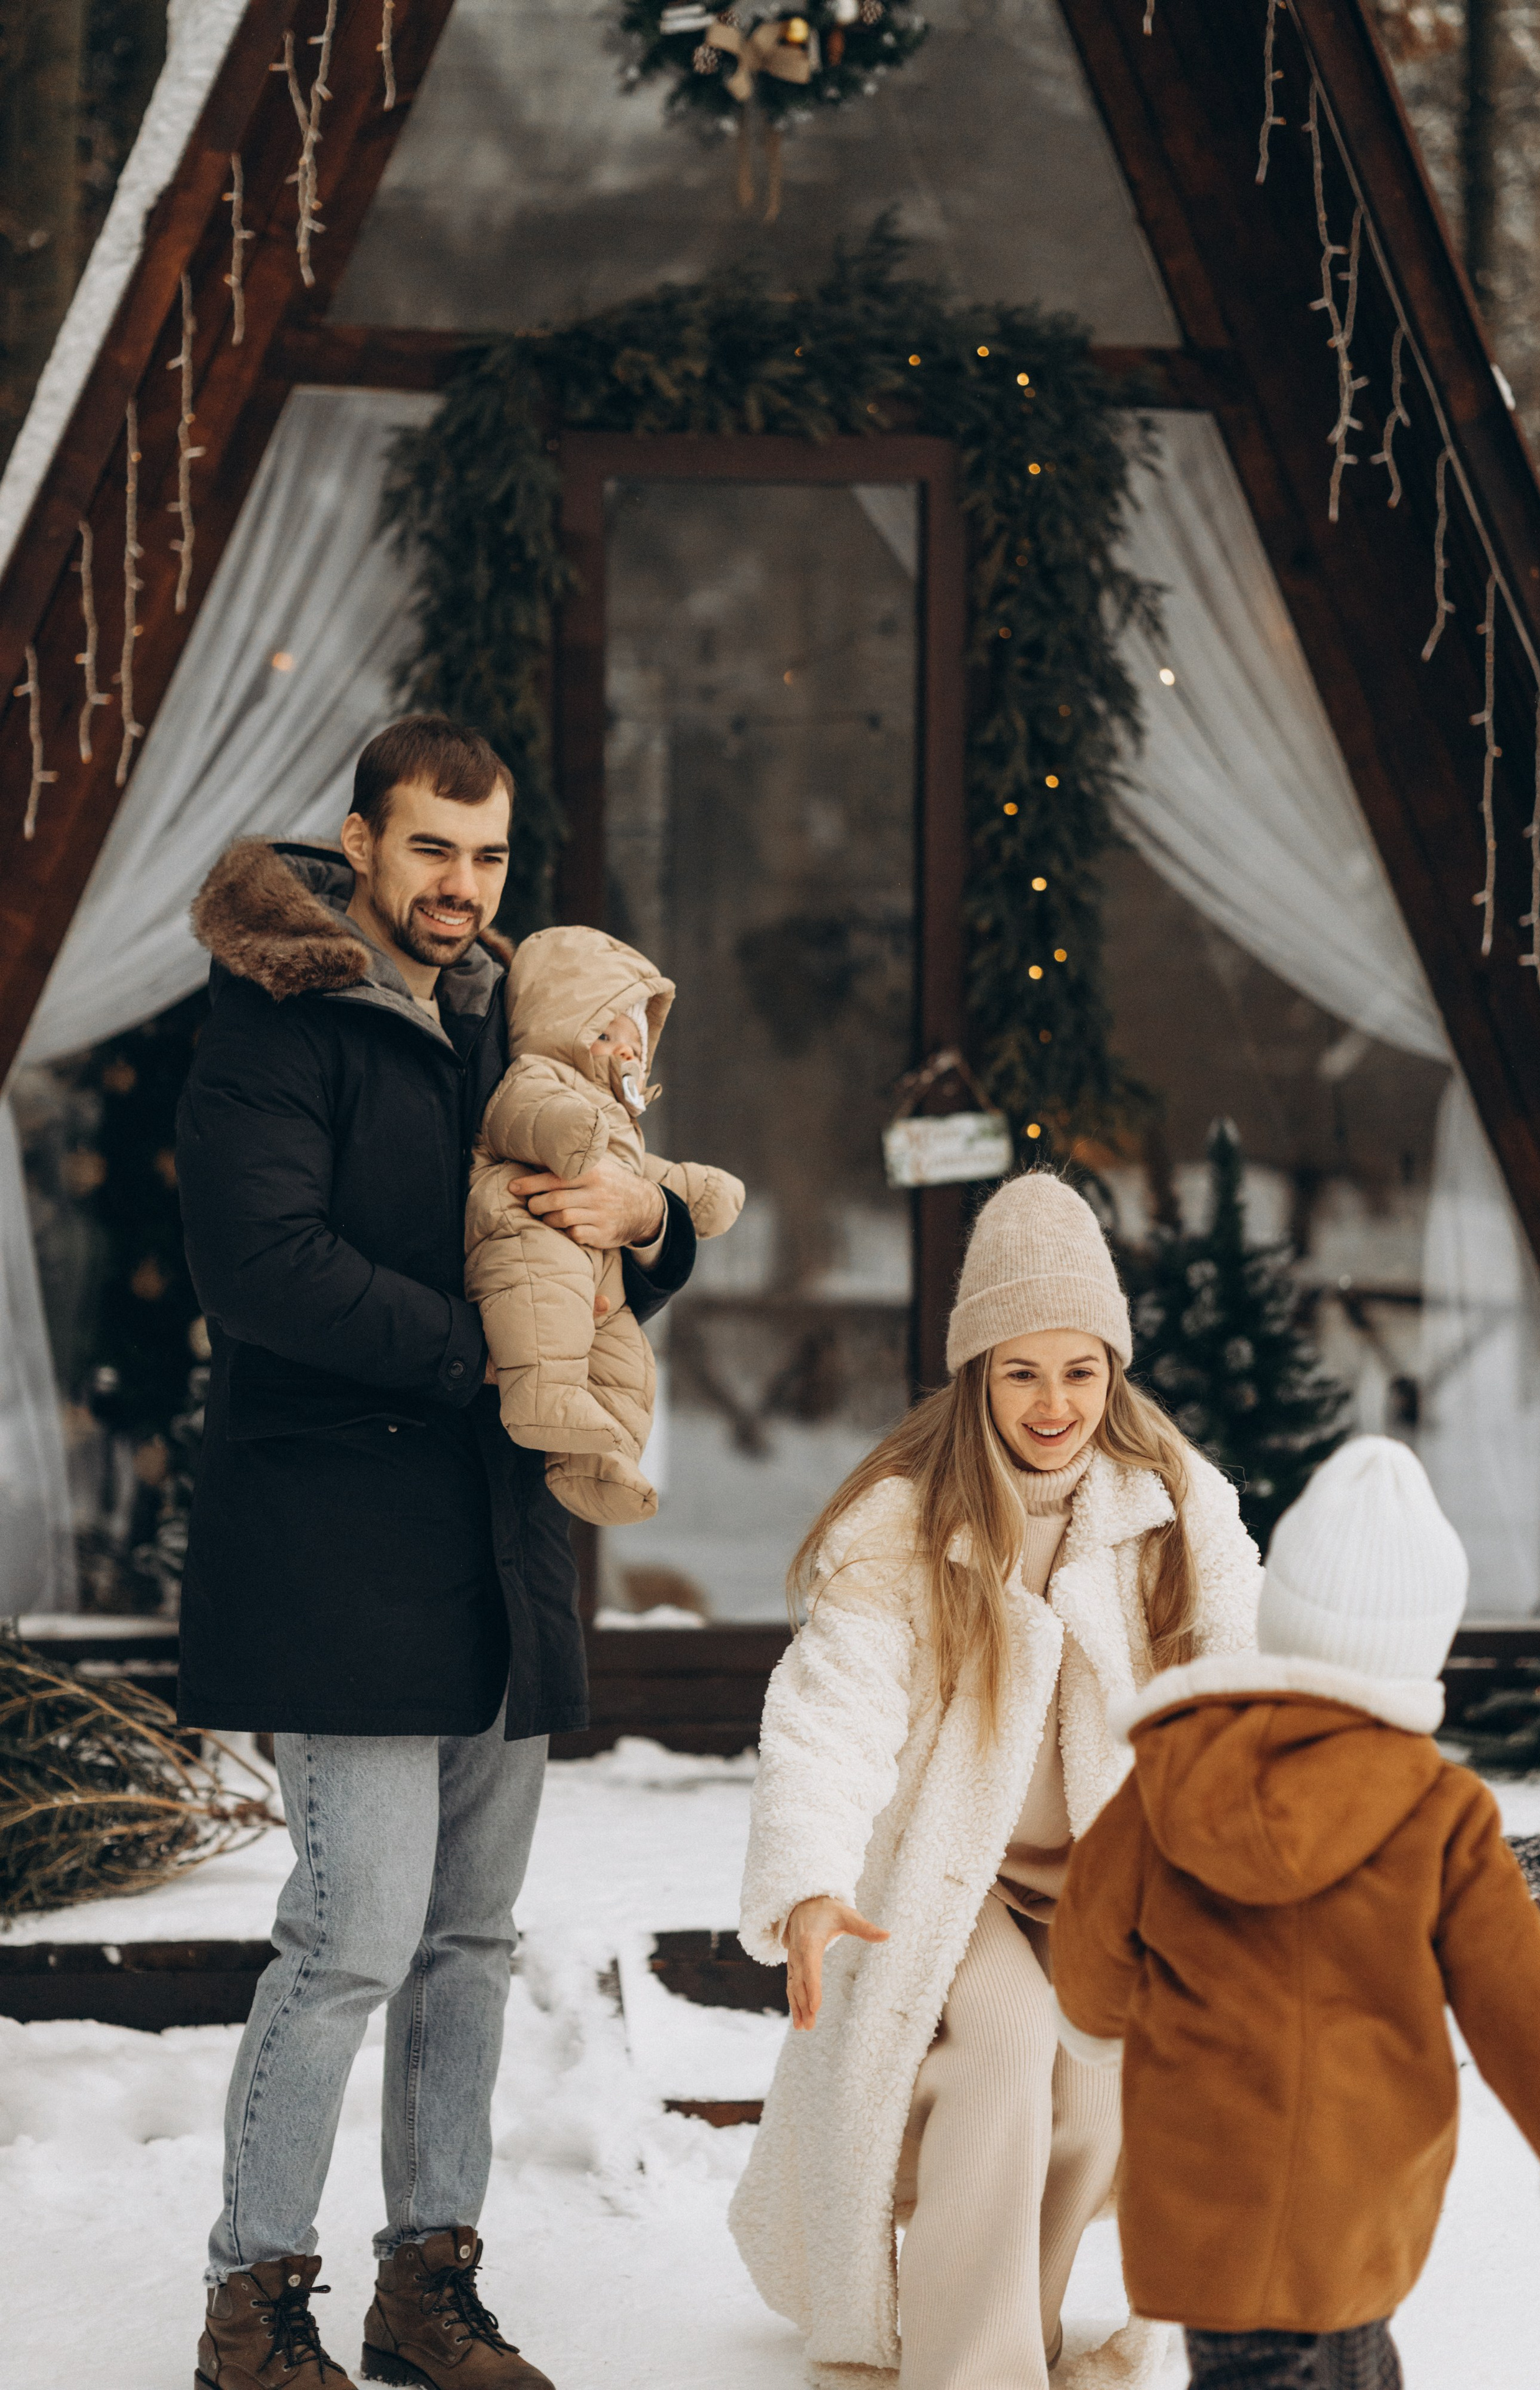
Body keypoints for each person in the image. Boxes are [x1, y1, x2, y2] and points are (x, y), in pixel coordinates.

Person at [175, 716, 696, 2390]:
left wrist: (651, 1221)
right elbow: (261, 1265)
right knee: (348, 1946)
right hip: (337, 1557)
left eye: (486, 858)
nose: (462, 889)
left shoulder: (506, 1031)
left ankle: (429, 2287)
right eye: (430, 852)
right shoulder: (276, 1020)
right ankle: (253, 2303)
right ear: (361, 843)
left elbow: (585, 1242)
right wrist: (480, 1348)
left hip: (497, 1556)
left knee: (470, 1946)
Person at [729, 1169, 1263, 2390]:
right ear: (976, 1374)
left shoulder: (1173, 1508)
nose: (1052, 1404)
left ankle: (1001, 2336)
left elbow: (1227, 1683)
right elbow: (831, 1704)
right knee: (1014, 2043)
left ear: (1111, 1373)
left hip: (1097, 1877)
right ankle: (975, 2376)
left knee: (1094, 2094)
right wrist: (807, 1876)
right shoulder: (903, 1524)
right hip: (944, 1874)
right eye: (1021, 1372)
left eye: (1078, 1371)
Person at [1049, 1435, 1540, 2390]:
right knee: (1339, 2360)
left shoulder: (1172, 1775)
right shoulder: (1439, 1812)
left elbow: (1093, 1928)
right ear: (1423, 1642)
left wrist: (1094, 2024)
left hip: (1202, 2187)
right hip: (1356, 2188)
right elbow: (1522, 2001)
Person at [466, 922, 742, 1523]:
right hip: (527, 1229)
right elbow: (521, 1116)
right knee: (548, 1299)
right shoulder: (539, 1075)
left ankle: (604, 1456)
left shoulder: (618, 1118)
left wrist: (688, 1196)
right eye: (605, 1032)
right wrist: (570, 1128)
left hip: (604, 1283)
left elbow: (643, 1173)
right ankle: (543, 1394)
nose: (625, 1052)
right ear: (560, 1026)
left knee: (629, 1363)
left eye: (635, 1042)